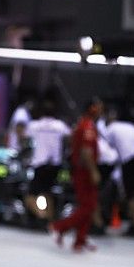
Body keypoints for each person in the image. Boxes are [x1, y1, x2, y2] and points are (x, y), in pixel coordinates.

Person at [50, 98, 103, 252]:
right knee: (88, 206)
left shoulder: (87, 125)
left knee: (90, 206)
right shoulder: (87, 127)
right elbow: (86, 152)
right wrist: (93, 171)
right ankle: (59, 227)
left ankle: (80, 240)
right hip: (84, 171)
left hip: (84, 169)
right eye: (99, 108)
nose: (101, 111)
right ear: (92, 108)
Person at [103, 108, 134, 237]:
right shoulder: (130, 125)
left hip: (130, 161)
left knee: (131, 194)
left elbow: (107, 150)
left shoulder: (111, 129)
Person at [25, 101, 71, 222]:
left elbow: (25, 137)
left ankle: (42, 216)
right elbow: (69, 137)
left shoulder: (35, 125)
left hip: (40, 162)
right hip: (55, 163)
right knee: (47, 193)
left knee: (30, 196)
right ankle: (50, 220)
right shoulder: (60, 125)